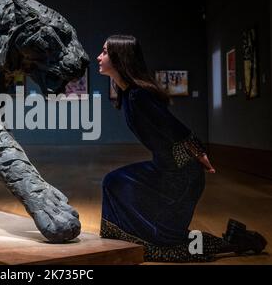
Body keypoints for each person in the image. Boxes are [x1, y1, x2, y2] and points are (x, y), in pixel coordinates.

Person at [97, 35, 267, 262]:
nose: (99, 57)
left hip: (180, 176)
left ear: (120, 58)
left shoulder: (138, 96)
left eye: (105, 52)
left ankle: (237, 242)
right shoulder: (128, 95)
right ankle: (127, 240)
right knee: (114, 183)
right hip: (165, 169)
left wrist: (199, 152)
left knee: (168, 241)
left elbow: (175, 127)